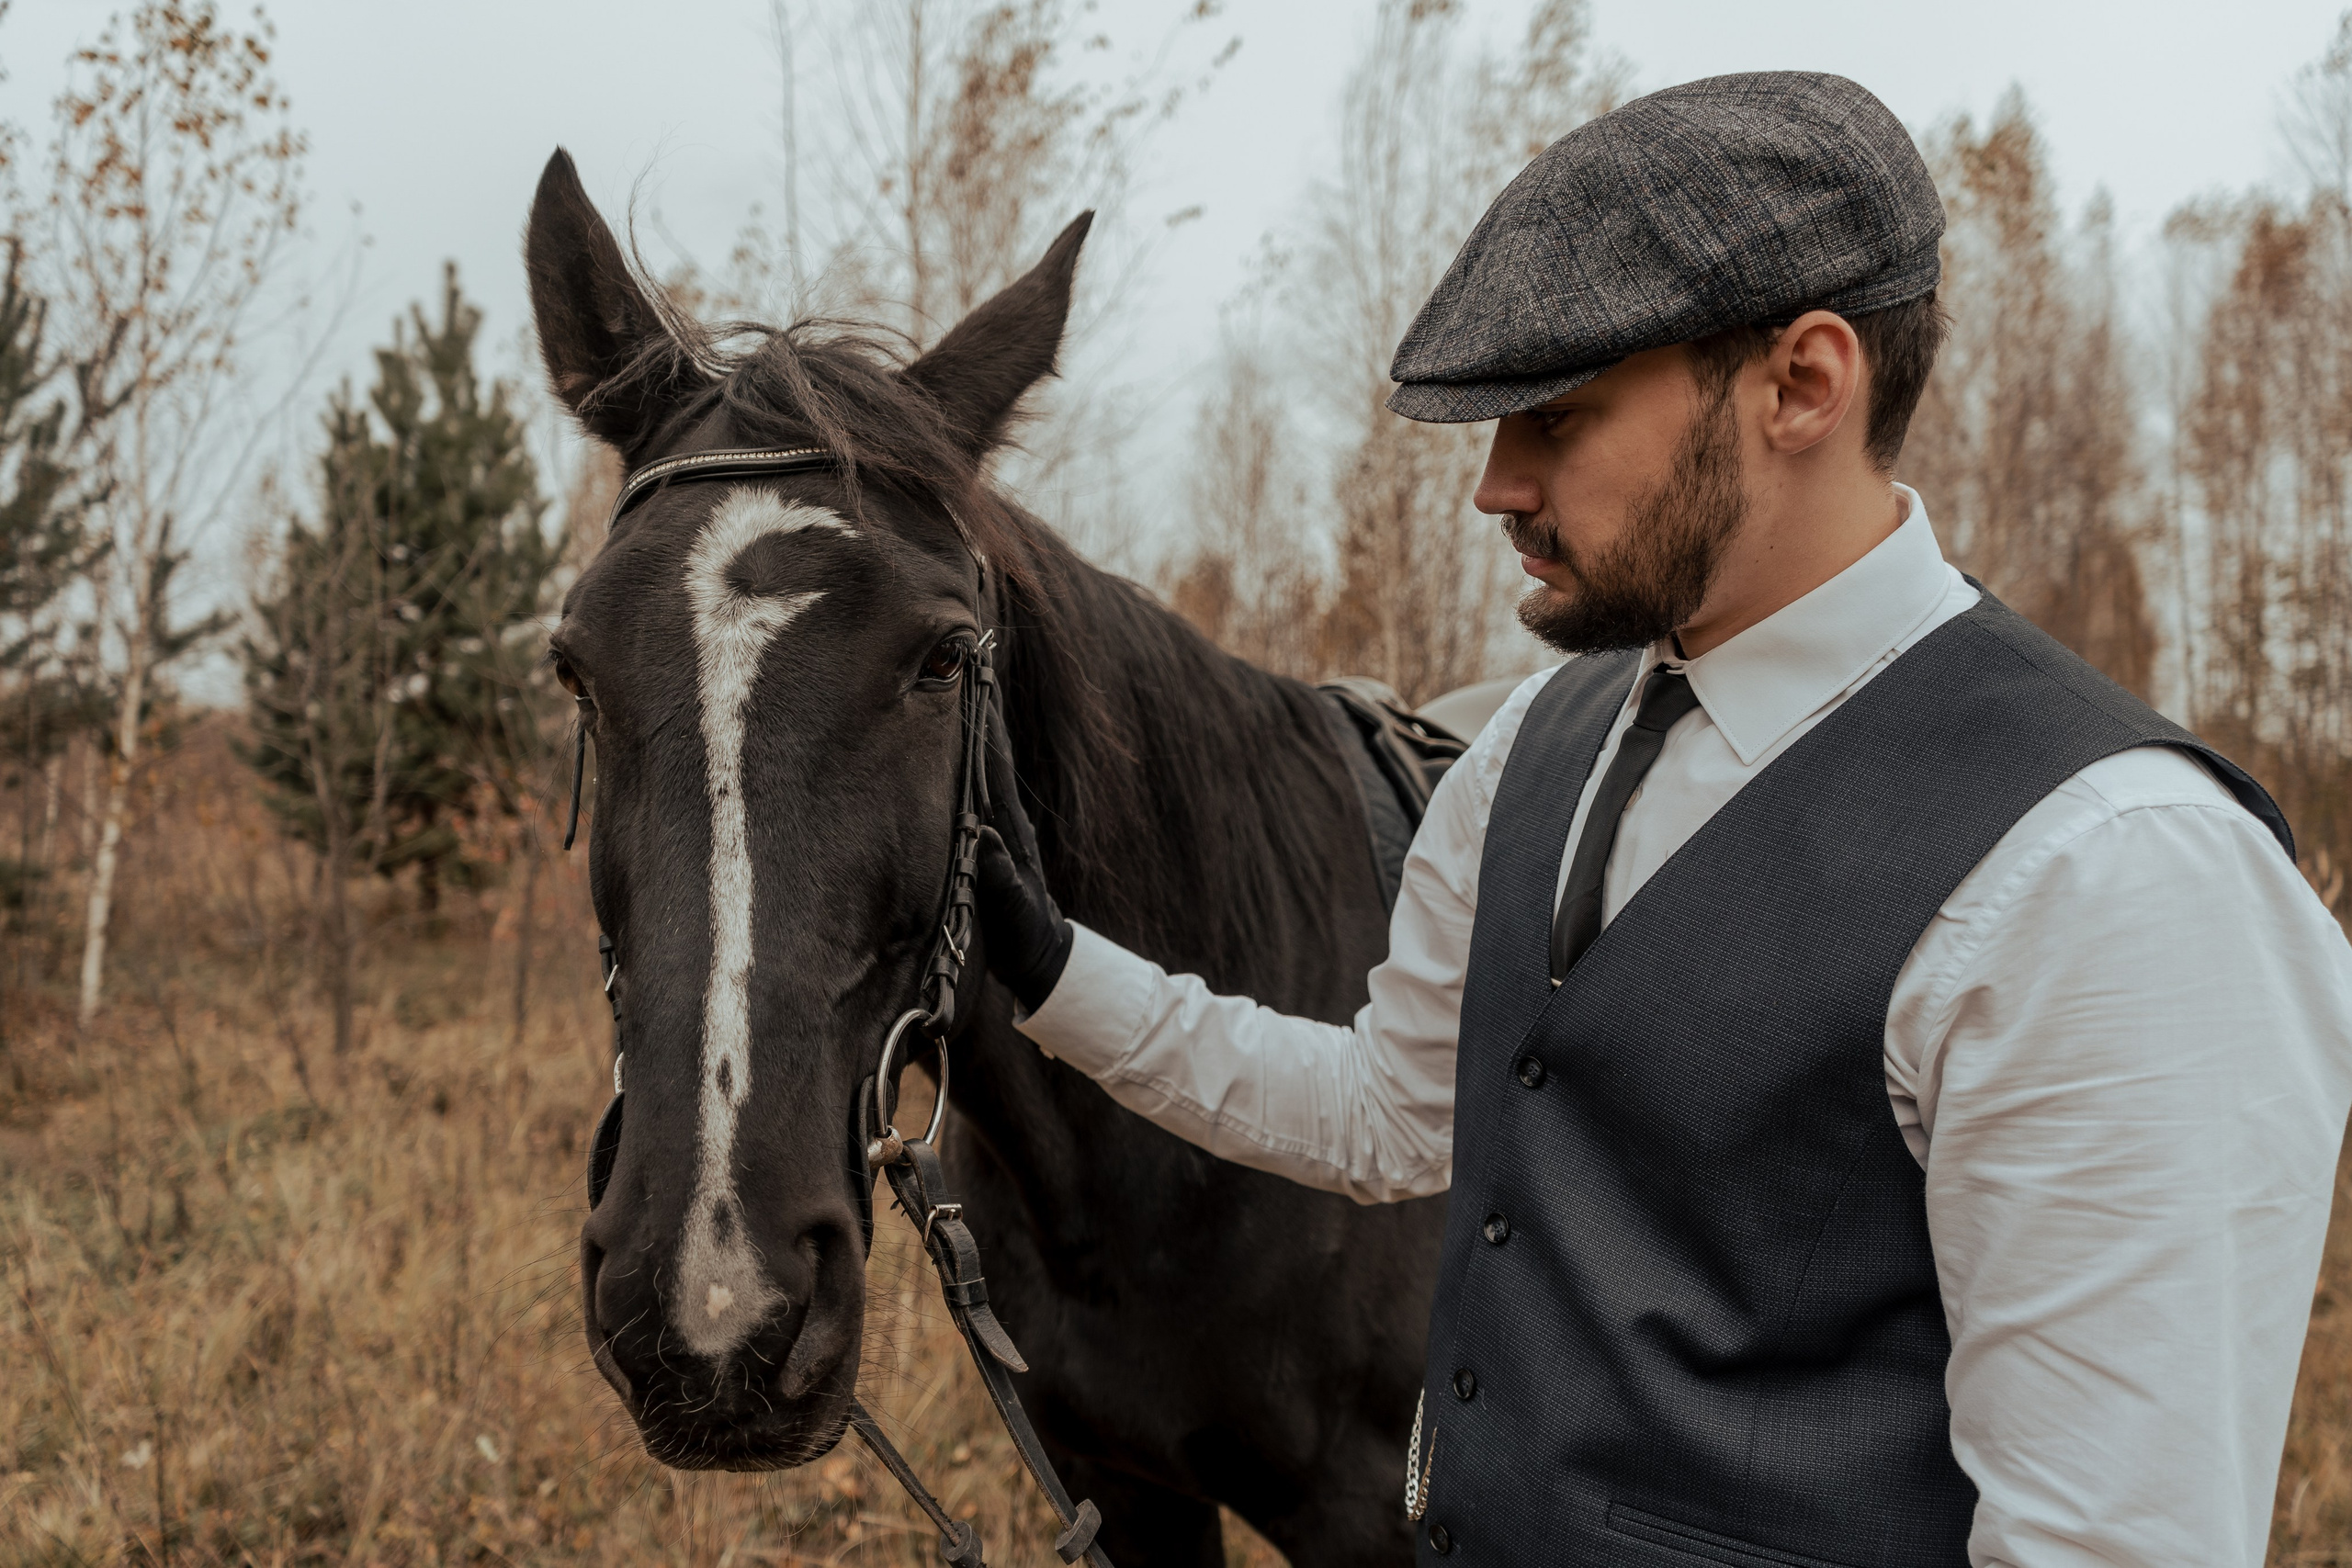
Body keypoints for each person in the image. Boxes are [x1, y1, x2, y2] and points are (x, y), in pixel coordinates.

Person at [975, 72, 2352, 1567]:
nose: (1496, 485)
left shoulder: (2113, 870)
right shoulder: (1527, 745)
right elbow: (1390, 1112)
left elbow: (2107, 1543)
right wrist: (1052, 975)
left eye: (1557, 417)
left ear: (1803, 386)